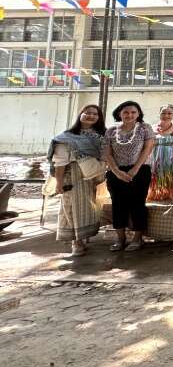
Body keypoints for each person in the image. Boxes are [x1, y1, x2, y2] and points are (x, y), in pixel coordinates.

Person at [48, 104, 106, 257]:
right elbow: (60, 162)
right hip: (72, 175)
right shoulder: (66, 137)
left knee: (89, 208)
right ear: (80, 114)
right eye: (87, 113)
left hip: (93, 176)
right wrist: (59, 183)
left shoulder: (99, 136)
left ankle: (84, 237)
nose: (91, 116)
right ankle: (76, 243)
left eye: (95, 114)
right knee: (71, 208)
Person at [102, 101, 156, 252]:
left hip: (140, 171)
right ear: (119, 113)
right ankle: (120, 239)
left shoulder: (145, 128)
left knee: (137, 204)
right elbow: (107, 153)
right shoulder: (111, 130)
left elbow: (147, 149)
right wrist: (117, 172)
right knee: (118, 205)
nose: (129, 115)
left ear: (138, 114)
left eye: (133, 112)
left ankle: (137, 239)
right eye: (126, 112)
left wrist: (134, 170)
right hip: (115, 173)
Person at [148, 104, 173, 202]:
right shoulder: (150, 129)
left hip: (171, 162)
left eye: (169, 113)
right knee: (154, 187)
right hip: (154, 162)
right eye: (163, 113)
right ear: (159, 114)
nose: (166, 115)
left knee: (171, 189)